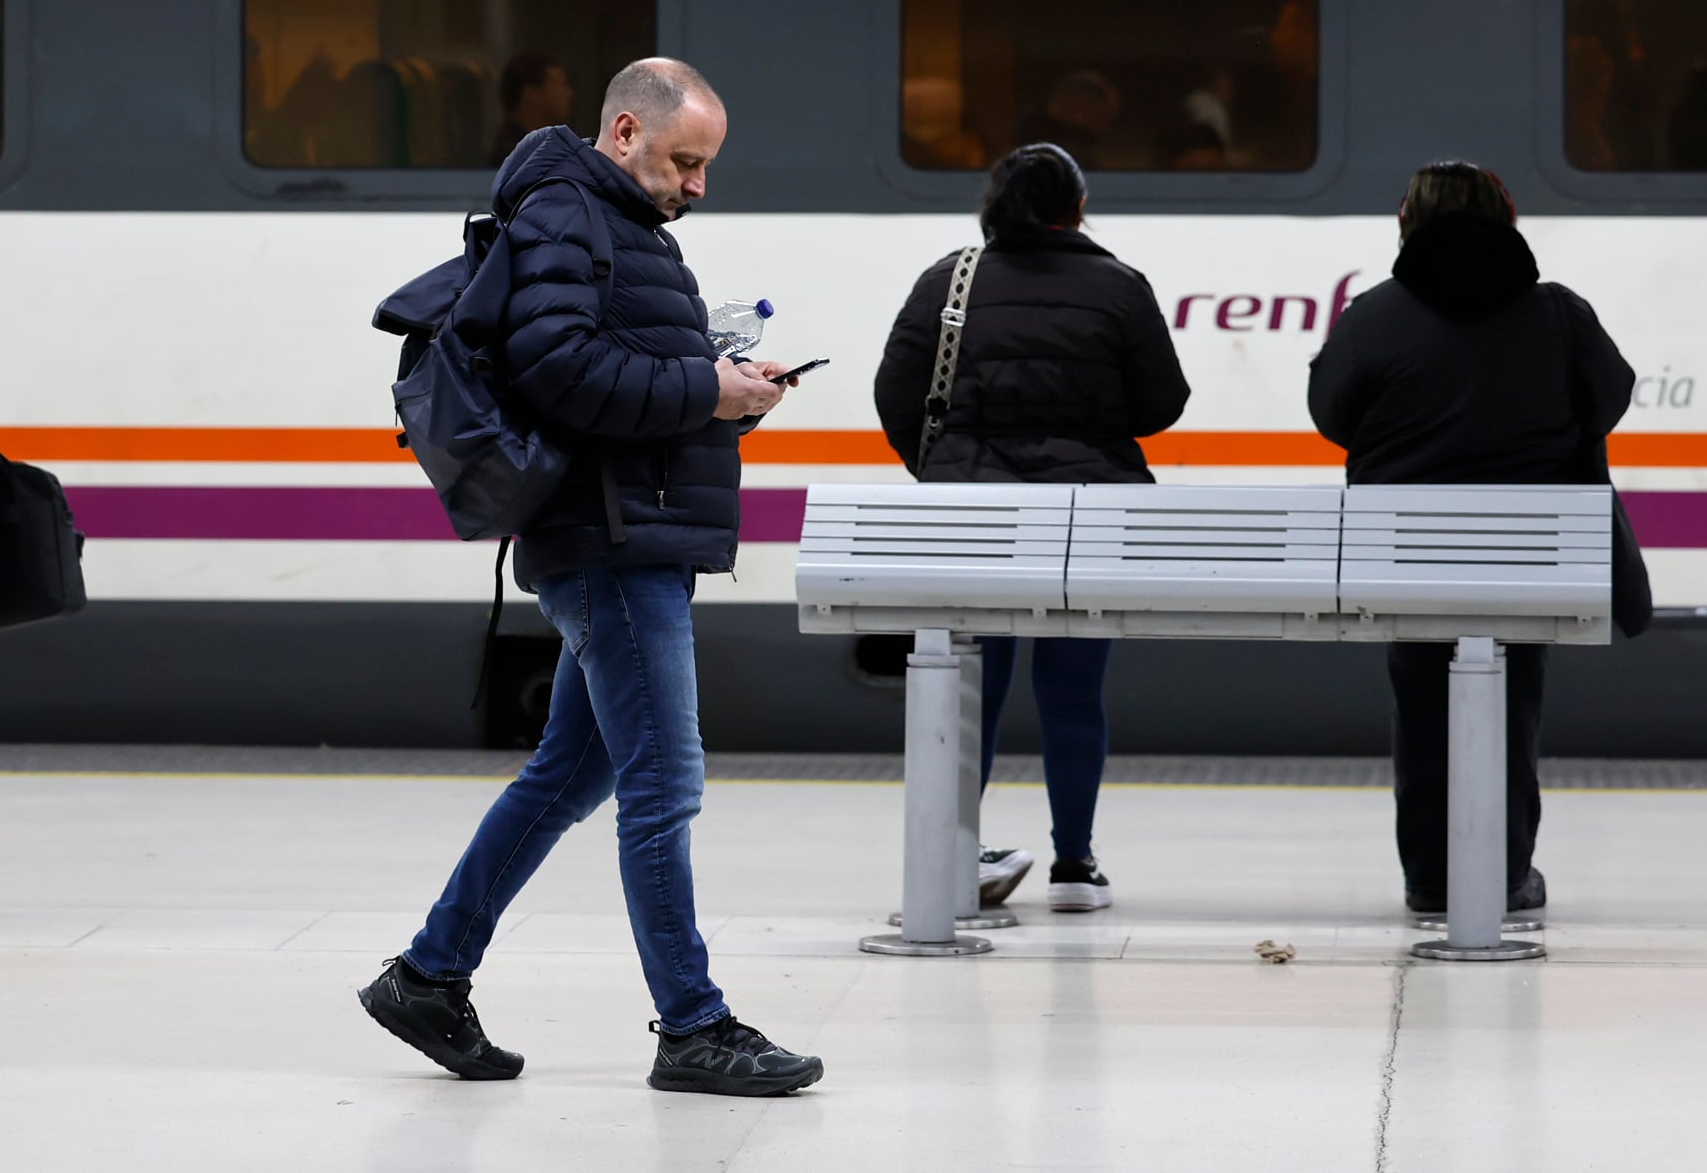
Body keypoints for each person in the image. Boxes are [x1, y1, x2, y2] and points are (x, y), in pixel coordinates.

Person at [360, 57, 824, 1098]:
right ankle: (694, 1026)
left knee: (573, 772)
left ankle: (429, 974)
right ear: (624, 131)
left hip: (630, 529)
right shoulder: (569, 214)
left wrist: (721, 380)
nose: (697, 185)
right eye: (684, 160)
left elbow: (601, 359)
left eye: (707, 166)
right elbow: (559, 370)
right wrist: (710, 390)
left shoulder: (614, 222)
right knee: (664, 783)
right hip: (611, 539)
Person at [1306, 160, 1632, 923]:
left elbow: (1331, 414)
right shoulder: (1557, 312)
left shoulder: (1374, 313)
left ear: (1406, 221)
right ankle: (1504, 870)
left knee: (1422, 704)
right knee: (1513, 704)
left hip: (1406, 554)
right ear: (1508, 218)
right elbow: (1608, 397)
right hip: (1531, 555)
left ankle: (1430, 876)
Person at [872, 144, 1190, 914]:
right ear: (1075, 208)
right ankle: (1075, 863)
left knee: (971, 684)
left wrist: (942, 466)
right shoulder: (1118, 285)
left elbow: (897, 390)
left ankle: (953, 853)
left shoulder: (949, 278)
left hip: (974, 518)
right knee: (1074, 688)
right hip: (1086, 514)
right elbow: (1161, 404)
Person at [487, 53, 575, 165]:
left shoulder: (551, 147)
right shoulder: (513, 157)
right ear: (531, 94)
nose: (570, 94)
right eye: (561, 85)